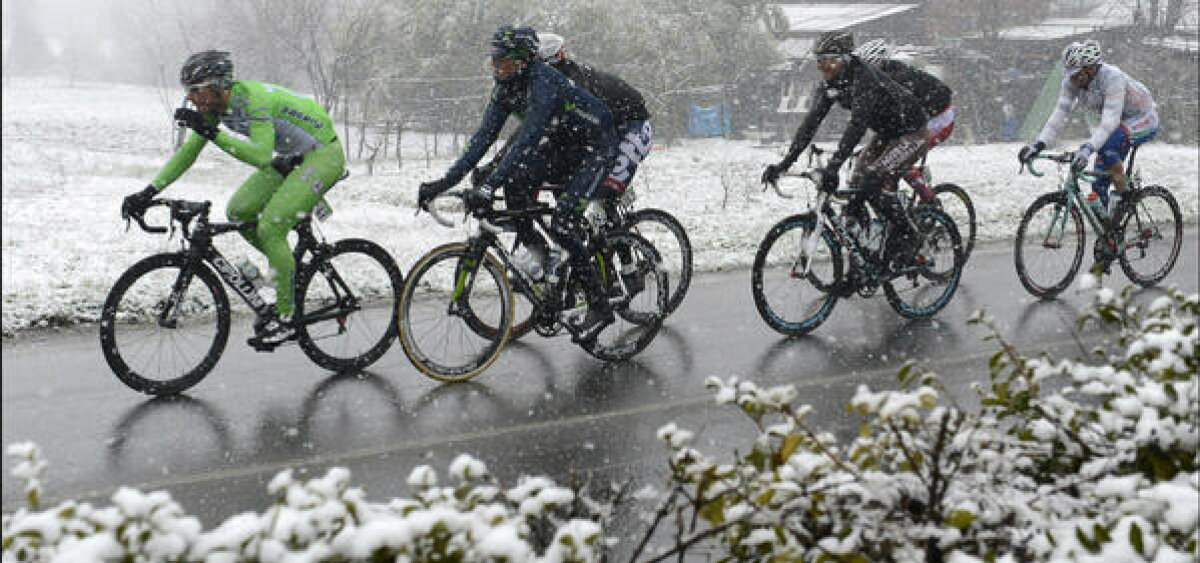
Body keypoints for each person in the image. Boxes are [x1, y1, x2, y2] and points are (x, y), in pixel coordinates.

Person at [120, 50, 346, 348]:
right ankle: (286, 270)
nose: (191, 98)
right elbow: (188, 154)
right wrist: (148, 192)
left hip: (323, 155)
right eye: (188, 91)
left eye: (195, 90)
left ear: (217, 86)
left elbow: (261, 156)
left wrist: (213, 133)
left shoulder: (253, 100)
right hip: (292, 157)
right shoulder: (213, 110)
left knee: (270, 227)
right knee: (239, 211)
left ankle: (286, 318)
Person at [417, 26, 618, 341]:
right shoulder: (505, 88)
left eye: (504, 63)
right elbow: (482, 140)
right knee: (515, 184)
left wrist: (487, 187)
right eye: (494, 62)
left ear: (524, 61)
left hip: (597, 145)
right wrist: (441, 182)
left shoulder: (544, 84)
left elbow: (526, 141)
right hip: (565, 144)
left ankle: (599, 303)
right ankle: (541, 252)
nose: (497, 68)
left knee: (564, 220)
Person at [761, 31, 931, 282]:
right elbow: (810, 124)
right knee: (856, 183)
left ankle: (912, 238)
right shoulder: (830, 84)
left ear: (846, 58)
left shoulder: (864, 78)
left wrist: (832, 167)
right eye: (820, 61)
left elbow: (857, 127)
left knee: (873, 180)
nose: (824, 67)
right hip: (887, 133)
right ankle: (865, 260)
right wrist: (784, 163)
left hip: (912, 133)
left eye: (830, 60)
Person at [1016, 39, 1158, 274]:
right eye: (1069, 74)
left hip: (1142, 119)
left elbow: (1110, 122)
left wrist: (1088, 148)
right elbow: (1059, 116)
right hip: (1118, 124)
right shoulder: (1071, 82)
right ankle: (1110, 239)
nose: (1072, 79)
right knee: (1098, 186)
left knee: (1105, 149)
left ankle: (1125, 199)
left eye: (1077, 74)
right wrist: (1038, 145)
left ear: (1090, 69)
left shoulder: (1112, 78)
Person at [854, 38, 955, 203]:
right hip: (914, 121)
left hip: (939, 118)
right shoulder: (881, 77)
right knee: (885, 161)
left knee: (899, 162)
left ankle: (929, 200)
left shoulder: (899, 80)